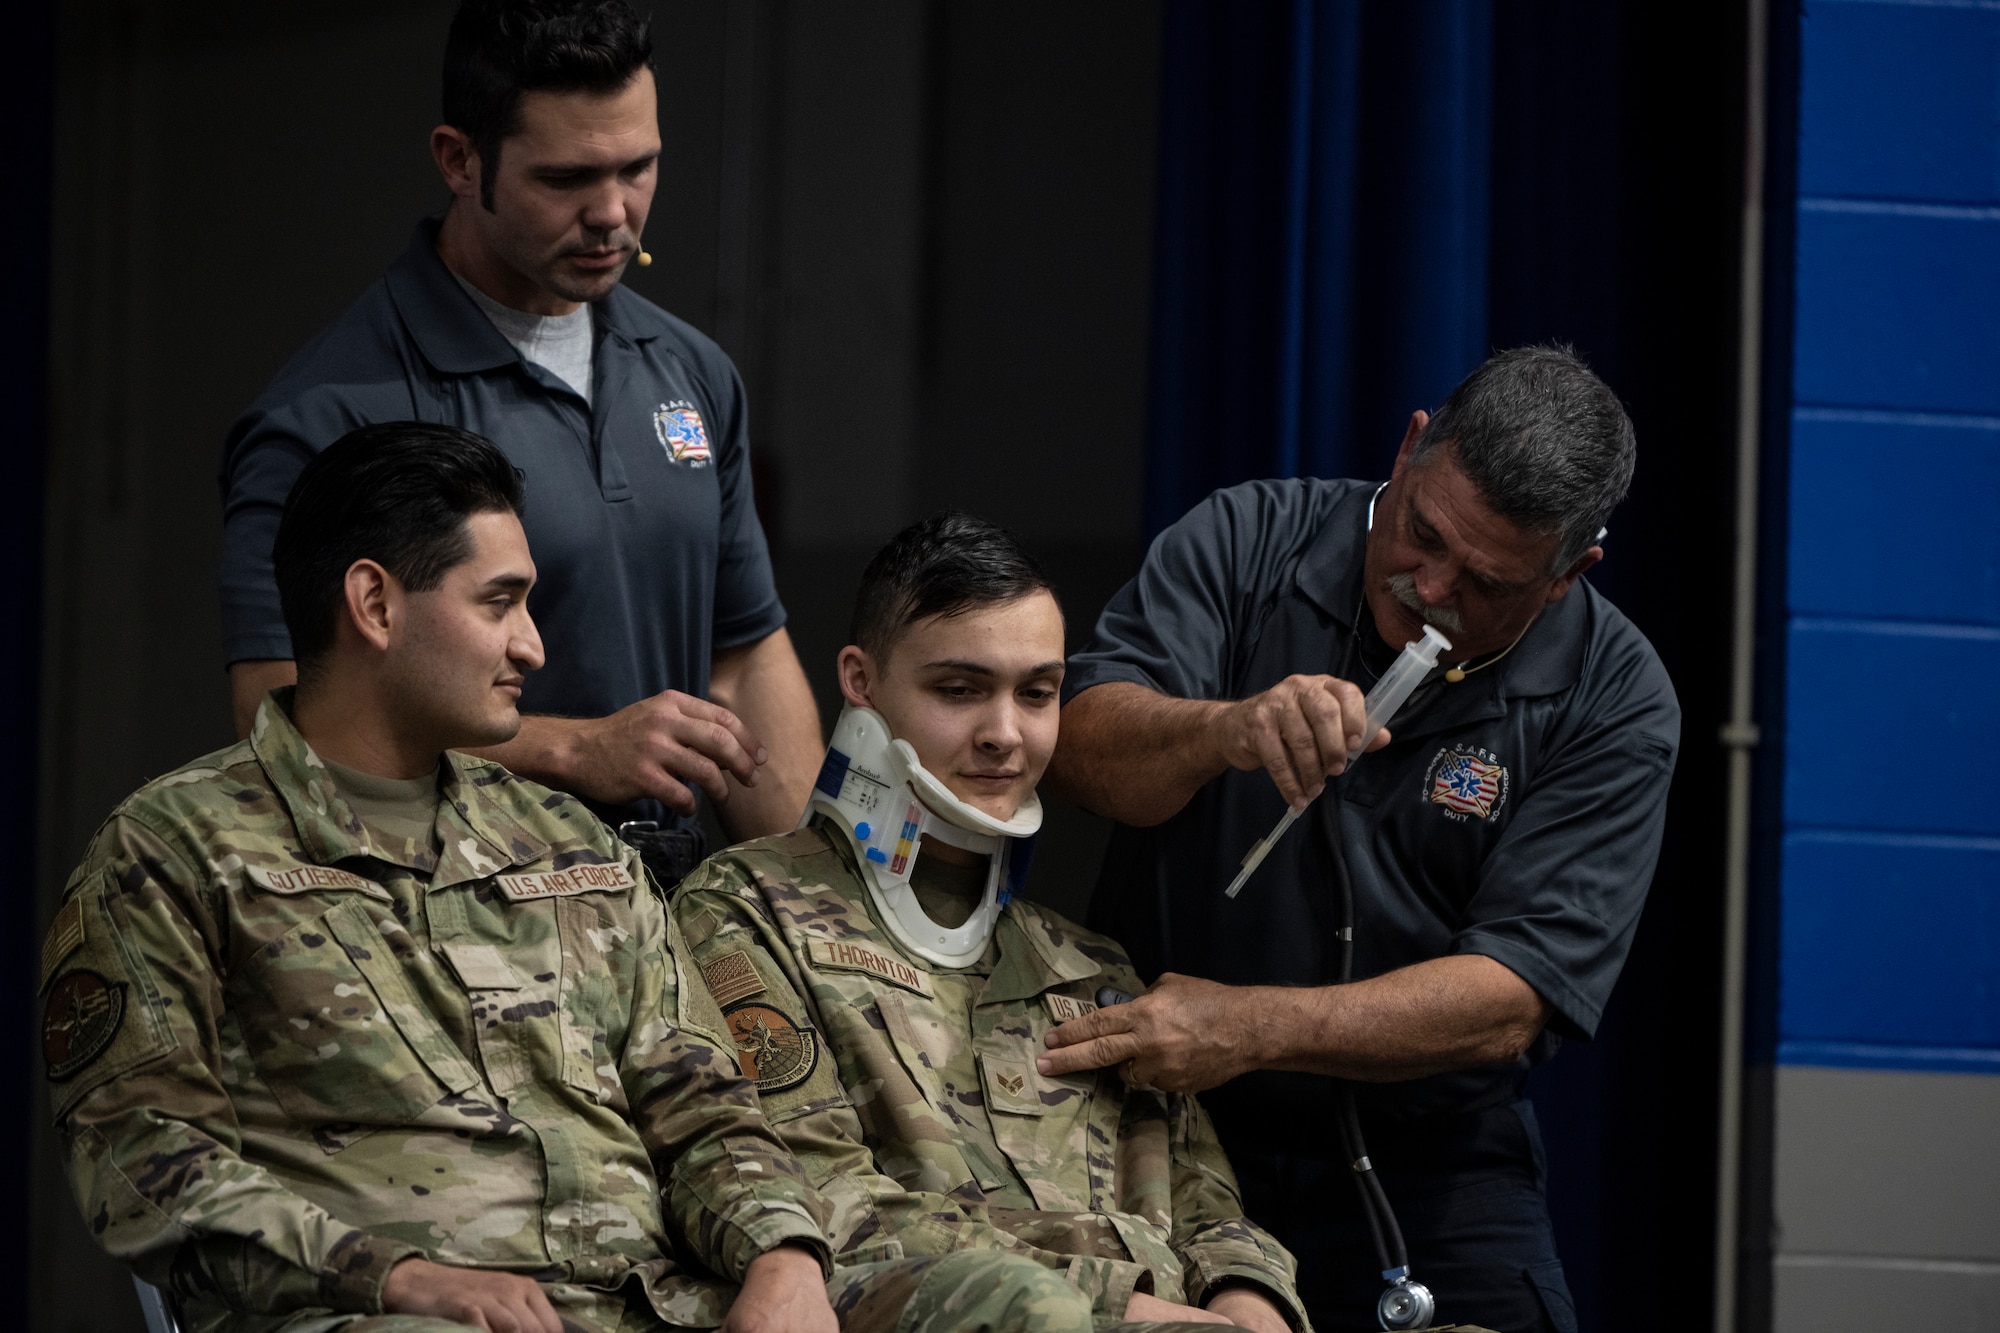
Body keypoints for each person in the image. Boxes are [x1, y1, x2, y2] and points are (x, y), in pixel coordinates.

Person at [43, 424, 1165, 1333]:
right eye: (500, 602)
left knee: (1003, 1304)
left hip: (653, 1302)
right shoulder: (172, 852)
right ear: (376, 605)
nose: (535, 645)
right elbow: (142, 1161)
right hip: (381, 1313)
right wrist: (396, 1276)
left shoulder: (570, 849)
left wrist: (780, 1255)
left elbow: (703, 1103)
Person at [1037, 347, 1682, 1332]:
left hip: (1431, 1149)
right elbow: (1077, 747)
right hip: (1159, 1112)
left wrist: (1253, 1027)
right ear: (1411, 444)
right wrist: (1218, 728)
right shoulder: (1248, 538)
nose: (1430, 586)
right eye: (1422, 534)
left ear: (1565, 574)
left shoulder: (1613, 696)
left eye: (1485, 582)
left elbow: (1510, 996)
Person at [218, 0, 816, 882]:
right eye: (567, 178)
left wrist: (813, 898)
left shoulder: (693, 374)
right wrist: (575, 752)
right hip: (454, 932)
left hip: (663, 931)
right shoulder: (330, 413)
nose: (613, 212)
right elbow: (275, 721)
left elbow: (741, 658)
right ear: (461, 160)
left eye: (638, 167)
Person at [671, 515, 1311, 1333]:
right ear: (860, 681)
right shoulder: (744, 912)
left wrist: (1245, 1300)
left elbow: (1206, 1207)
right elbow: (816, 1202)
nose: (1005, 734)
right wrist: (1126, 1305)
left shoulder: (1085, 965)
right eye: (960, 689)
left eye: (1037, 693)